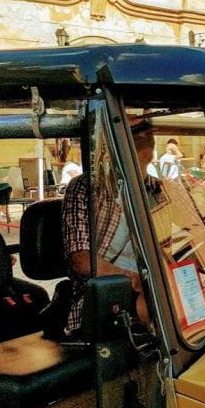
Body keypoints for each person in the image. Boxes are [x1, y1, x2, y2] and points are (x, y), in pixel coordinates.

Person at [62, 124, 154, 335]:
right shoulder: (85, 188)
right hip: (103, 295)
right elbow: (81, 260)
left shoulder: (158, 190)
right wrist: (133, 279)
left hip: (153, 288)